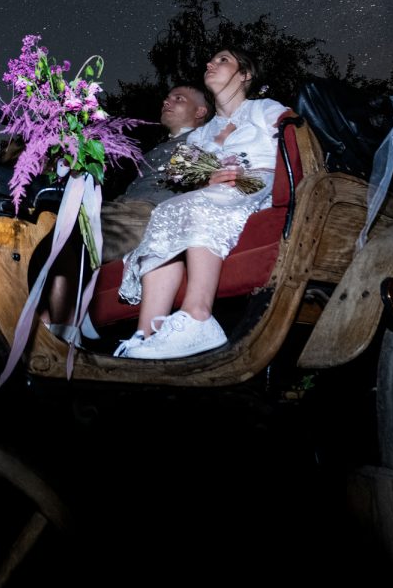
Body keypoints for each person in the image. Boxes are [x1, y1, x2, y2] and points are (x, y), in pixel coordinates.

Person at [113, 48, 286, 359]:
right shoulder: (200, 135)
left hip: (261, 182)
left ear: (244, 75)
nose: (210, 63)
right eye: (211, 59)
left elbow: (295, 142)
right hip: (218, 191)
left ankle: (199, 315)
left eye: (223, 60)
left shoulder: (263, 109)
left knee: (199, 205)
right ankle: (148, 333)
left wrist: (244, 172)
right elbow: (186, 175)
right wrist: (208, 177)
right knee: (166, 212)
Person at [38, 84, 214, 325]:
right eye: (167, 97)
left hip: (149, 213)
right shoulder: (159, 146)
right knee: (57, 231)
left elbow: (201, 178)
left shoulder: (205, 139)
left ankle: (60, 333)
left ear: (200, 112)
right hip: (121, 209)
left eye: (179, 98)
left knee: (73, 234)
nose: (167, 102)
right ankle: (53, 326)